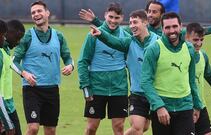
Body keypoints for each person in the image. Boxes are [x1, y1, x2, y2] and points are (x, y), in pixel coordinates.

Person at [90, 9, 159, 135]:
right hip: (137, 94)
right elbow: (114, 41)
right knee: (138, 128)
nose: (132, 26)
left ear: (145, 23)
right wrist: (101, 34)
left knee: (144, 128)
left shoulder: (158, 42)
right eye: (130, 23)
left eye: (135, 22)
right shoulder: (129, 42)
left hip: (156, 94)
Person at [12, 1, 74, 135]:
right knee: (33, 128)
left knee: (51, 130)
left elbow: (68, 58)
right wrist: (25, 74)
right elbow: (14, 61)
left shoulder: (59, 36)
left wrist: (70, 66)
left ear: (47, 13)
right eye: (33, 12)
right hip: (32, 90)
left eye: (39, 11)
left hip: (52, 89)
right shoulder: (27, 36)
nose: (36, 14)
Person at [140, 12, 202, 135]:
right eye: (167, 27)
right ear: (162, 29)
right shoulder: (153, 49)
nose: (171, 30)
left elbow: (191, 80)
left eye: (174, 26)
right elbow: (145, 81)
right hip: (162, 109)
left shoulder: (189, 49)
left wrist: (197, 104)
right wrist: (159, 106)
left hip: (185, 106)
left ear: (180, 26)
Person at [77, 2, 129, 135]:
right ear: (105, 15)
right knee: (91, 128)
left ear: (122, 18)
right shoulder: (93, 34)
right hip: (97, 88)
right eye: (110, 17)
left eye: (116, 18)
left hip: (119, 88)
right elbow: (83, 61)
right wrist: (85, 86)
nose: (113, 20)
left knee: (119, 128)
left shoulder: (126, 35)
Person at [79, 0, 211, 37]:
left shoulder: (169, 31)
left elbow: (196, 32)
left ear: (161, 15)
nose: (150, 15)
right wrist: (96, 21)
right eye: (149, 11)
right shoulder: (139, 28)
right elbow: (115, 30)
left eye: (154, 12)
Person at [185, 22, 211, 135]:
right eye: (195, 40)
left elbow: (210, 76)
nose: (199, 43)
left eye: (201, 40)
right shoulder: (180, 56)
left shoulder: (203, 56)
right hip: (184, 108)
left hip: (200, 105)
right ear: (186, 38)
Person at [0, 19, 25, 135]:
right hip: (3, 107)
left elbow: (11, 64)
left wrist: (23, 73)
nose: (19, 42)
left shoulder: (5, 51)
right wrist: (7, 123)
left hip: (8, 105)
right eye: (17, 37)